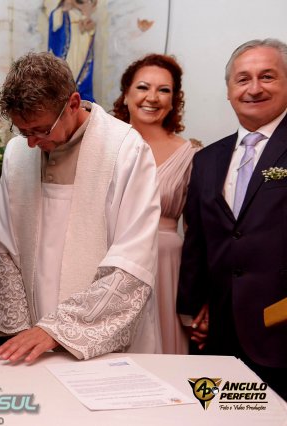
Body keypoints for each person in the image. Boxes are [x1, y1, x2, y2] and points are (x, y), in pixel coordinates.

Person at [0, 52, 161, 363]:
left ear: (73, 104)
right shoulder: (18, 152)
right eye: (24, 131)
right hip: (34, 333)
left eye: (41, 130)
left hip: (98, 336)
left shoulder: (125, 149)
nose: (31, 143)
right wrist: (22, 330)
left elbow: (133, 258)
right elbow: (4, 248)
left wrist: (61, 329)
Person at [178, 38, 287, 400]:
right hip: (219, 333)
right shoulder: (207, 159)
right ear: (228, 91)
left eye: (267, 76)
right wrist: (193, 310)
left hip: (282, 333)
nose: (254, 88)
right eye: (243, 79)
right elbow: (198, 241)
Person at [112, 54, 201, 354]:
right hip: (112, 257)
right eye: (143, 87)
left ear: (174, 100)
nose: (152, 97)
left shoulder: (191, 154)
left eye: (164, 90)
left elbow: (198, 234)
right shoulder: (104, 146)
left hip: (166, 264)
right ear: (126, 94)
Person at [47, 0, 97, 102]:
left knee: (81, 72)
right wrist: (64, 8)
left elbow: (89, 32)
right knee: (68, 71)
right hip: (68, 51)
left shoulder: (82, 13)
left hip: (82, 48)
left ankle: (80, 95)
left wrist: (88, 25)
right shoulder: (60, 12)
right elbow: (55, 27)